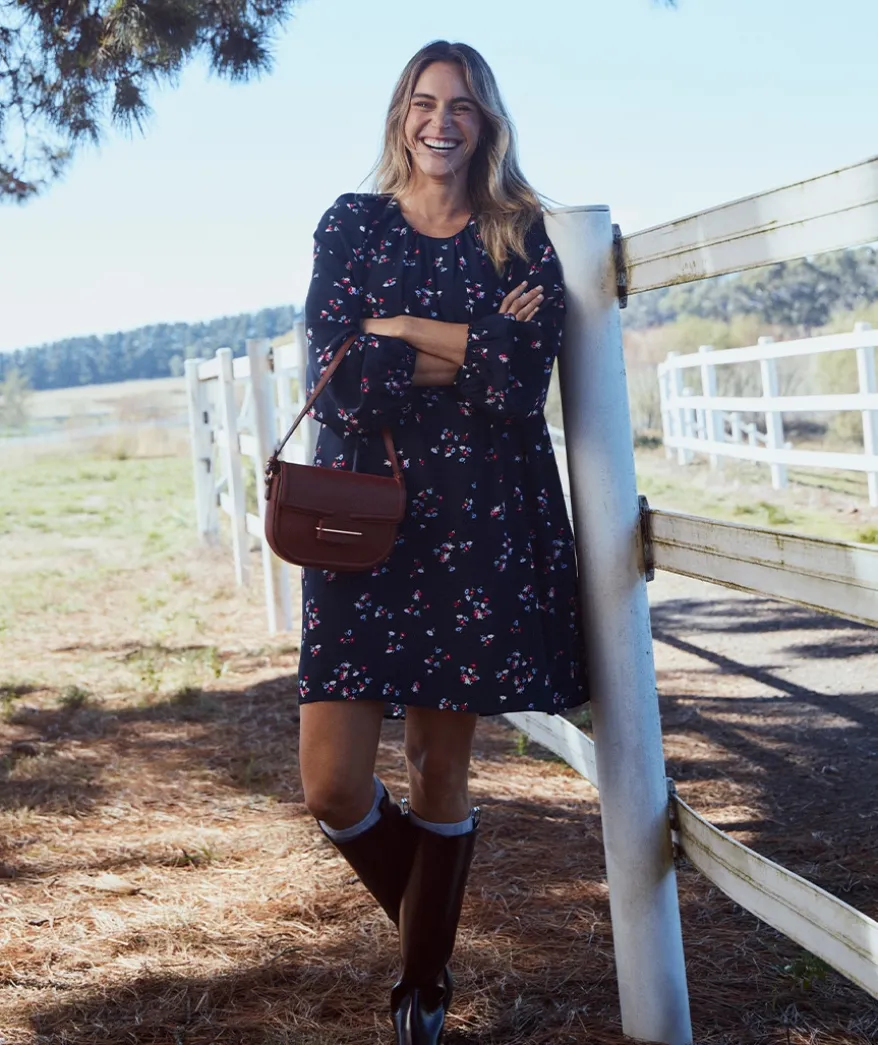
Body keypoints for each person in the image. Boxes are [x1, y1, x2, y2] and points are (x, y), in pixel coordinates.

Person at [297, 39, 586, 1045]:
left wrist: (398, 329)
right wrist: (468, 341)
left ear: (486, 121)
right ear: (399, 115)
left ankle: (418, 993)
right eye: (423, 103)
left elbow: (520, 381)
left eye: (460, 106)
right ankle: (435, 948)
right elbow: (337, 373)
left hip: (476, 522)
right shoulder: (352, 221)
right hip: (360, 513)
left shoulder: (520, 234)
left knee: (435, 763)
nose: (440, 123)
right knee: (330, 781)